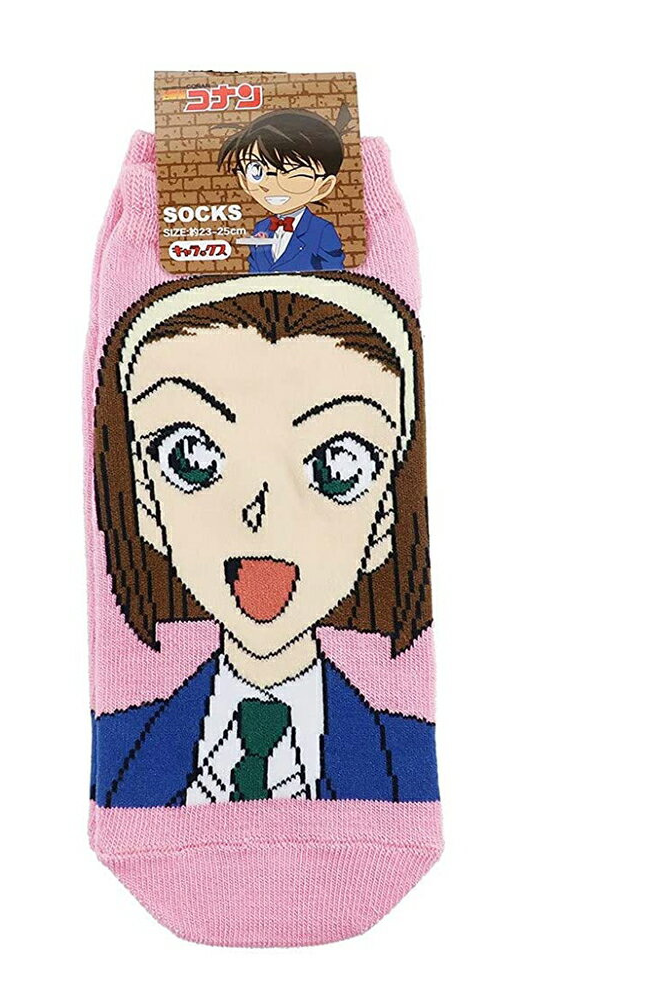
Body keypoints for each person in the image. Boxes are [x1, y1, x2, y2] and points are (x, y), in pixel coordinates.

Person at [91, 273, 437, 807]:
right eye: (192, 456)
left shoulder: (403, 759)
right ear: (143, 500)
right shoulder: (127, 754)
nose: (261, 511)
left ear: (388, 513)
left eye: (339, 466)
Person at [218, 109, 347, 273]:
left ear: (324, 187)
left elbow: (334, 273)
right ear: (244, 180)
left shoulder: (321, 230)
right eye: (256, 171)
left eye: (292, 173)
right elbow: (254, 267)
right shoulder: (261, 227)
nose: (270, 184)